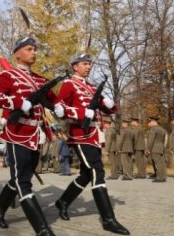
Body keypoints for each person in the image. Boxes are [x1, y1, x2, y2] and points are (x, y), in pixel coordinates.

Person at [0, 36, 57, 234]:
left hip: (36, 134)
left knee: (19, 177)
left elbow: (54, 101)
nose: (34, 52)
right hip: (17, 134)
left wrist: (62, 109)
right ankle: (42, 230)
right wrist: (17, 102)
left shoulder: (40, 79)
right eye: (29, 49)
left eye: (35, 49)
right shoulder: (9, 76)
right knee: (23, 182)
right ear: (17, 53)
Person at [54, 53, 129, 235]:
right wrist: (81, 113)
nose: (88, 66)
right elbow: (60, 109)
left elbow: (109, 108)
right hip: (80, 134)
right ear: (75, 66)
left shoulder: (91, 87)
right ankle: (108, 219)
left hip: (95, 135)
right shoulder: (68, 85)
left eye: (89, 64)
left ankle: (63, 202)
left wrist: (110, 104)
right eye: (84, 64)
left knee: (86, 175)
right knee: (97, 171)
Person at [146, 117, 167, 182]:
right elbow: (163, 140)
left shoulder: (153, 129)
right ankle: (163, 176)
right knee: (162, 163)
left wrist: (148, 149)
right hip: (161, 147)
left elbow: (151, 140)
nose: (148, 124)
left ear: (153, 122)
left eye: (149, 122)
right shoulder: (162, 129)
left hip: (155, 148)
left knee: (157, 163)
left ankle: (160, 177)